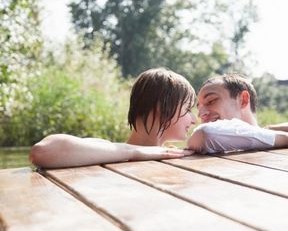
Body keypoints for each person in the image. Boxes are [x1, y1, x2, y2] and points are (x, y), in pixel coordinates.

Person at [30, 68, 196, 168]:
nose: (194, 119)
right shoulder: (107, 149)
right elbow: (42, 151)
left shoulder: (177, 154)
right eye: (188, 109)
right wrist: (136, 152)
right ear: (162, 106)